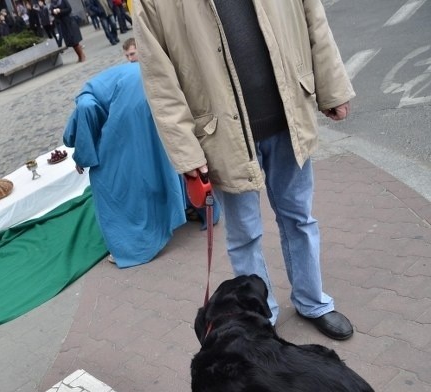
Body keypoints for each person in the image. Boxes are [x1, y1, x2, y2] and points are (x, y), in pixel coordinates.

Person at [136, 0, 355, 340]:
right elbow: (159, 79)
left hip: (288, 116)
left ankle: (313, 302)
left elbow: (314, 19)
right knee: (243, 236)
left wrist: (333, 88)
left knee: (299, 217)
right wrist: (186, 150)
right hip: (221, 135)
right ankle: (261, 319)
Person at [64, 63, 189, 268]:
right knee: (164, 155)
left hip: (131, 103)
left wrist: (82, 156)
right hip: (155, 82)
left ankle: (134, 244)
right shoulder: (101, 82)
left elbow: (86, 112)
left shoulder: (85, 98)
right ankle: (192, 206)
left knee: (114, 175)